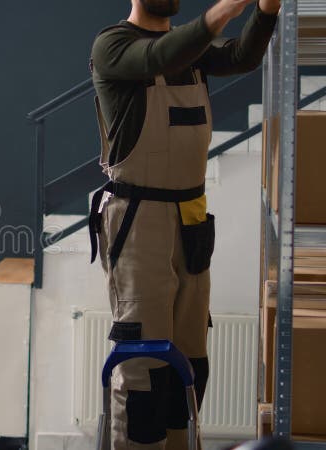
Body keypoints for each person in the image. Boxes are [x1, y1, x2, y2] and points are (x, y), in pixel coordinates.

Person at [89, 0, 280, 448]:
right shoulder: (113, 45)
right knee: (145, 362)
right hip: (139, 220)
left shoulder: (190, 49)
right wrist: (229, 8)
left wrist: (266, 11)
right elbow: (160, 56)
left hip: (191, 216)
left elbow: (241, 57)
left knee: (190, 359)